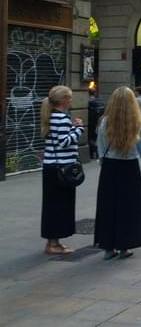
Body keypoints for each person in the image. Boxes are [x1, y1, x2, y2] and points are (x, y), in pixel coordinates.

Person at [95, 87, 141, 260]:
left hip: (110, 167)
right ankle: (125, 245)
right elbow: (140, 145)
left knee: (108, 206)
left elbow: (101, 146)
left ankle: (108, 247)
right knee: (129, 207)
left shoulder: (105, 122)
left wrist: (103, 161)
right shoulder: (136, 122)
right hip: (130, 166)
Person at [40, 86, 84, 255]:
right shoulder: (61, 118)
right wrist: (79, 129)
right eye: (70, 98)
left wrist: (72, 128)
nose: (72, 101)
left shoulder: (52, 116)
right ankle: (53, 244)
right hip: (61, 169)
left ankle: (54, 242)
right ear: (63, 100)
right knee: (60, 207)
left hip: (51, 167)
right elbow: (63, 142)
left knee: (52, 206)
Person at [87, 87, 105, 160]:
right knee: (97, 137)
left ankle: (91, 154)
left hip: (90, 123)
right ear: (95, 93)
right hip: (99, 122)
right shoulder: (100, 102)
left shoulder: (88, 102)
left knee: (90, 137)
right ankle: (97, 153)